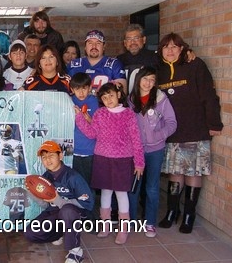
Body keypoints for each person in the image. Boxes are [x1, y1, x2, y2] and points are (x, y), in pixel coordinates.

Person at [156, 33, 223, 234]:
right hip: (172, 132)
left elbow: (209, 96)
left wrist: (214, 124)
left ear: (182, 49)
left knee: (193, 173)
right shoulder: (159, 71)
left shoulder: (196, 66)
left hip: (196, 129)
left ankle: (188, 215)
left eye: (175, 47)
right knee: (175, 173)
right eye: (166, 47)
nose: (170, 50)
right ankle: (172, 212)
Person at [76, 83, 144, 244]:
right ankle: (105, 226)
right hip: (103, 159)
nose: (108, 100)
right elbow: (92, 133)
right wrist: (80, 118)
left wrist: (139, 163)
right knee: (105, 193)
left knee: (121, 194)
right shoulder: (100, 114)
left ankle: (123, 229)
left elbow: (136, 139)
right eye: (104, 98)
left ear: (118, 95)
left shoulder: (128, 114)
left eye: (111, 96)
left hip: (122, 160)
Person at [127, 66, 177, 237]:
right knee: (133, 187)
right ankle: (131, 221)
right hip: (135, 151)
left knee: (152, 188)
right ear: (138, 80)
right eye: (145, 78)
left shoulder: (161, 99)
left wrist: (159, 135)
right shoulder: (130, 100)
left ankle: (150, 222)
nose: (148, 83)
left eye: (152, 80)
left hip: (155, 149)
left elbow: (172, 122)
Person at [24, 141, 93, 263]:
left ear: (60, 156)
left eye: (51, 156)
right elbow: (46, 205)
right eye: (44, 157)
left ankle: (76, 251)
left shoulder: (72, 176)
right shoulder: (45, 177)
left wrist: (58, 200)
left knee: (67, 211)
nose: (47, 160)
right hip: (56, 212)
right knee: (30, 233)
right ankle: (60, 233)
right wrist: (32, 193)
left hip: (76, 213)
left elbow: (87, 204)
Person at [68, 30, 127, 95]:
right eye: (90, 43)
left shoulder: (114, 64)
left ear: (104, 46)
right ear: (85, 47)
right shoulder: (73, 65)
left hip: (104, 104)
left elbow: (121, 93)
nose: (94, 46)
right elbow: (66, 91)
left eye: (98, 43)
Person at [69, 73, 99, 187]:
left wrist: (90, 119)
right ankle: (76, 205)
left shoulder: (95, 102)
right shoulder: (69, 101)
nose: (81, 93)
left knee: (88, 183)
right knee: (75, 184)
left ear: (90, 87)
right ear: (72, 89)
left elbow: (100, 126)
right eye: (77, 89)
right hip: (73, 150)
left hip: (90, 150)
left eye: (84, 88)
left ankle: (89, 204)